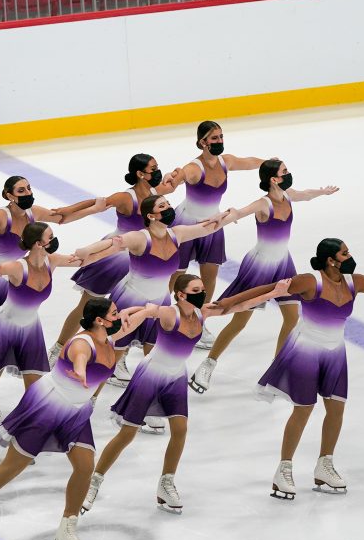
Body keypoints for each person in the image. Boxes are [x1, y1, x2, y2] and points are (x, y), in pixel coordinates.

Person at [213, 238, 364, 500]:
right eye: (345, 253)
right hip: (305, 351)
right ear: (330, 260)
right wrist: (226, 303)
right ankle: (284, 469)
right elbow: (265, 289)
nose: (350, 256)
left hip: (335, 353)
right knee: (303, 410)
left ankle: (325, 464)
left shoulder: (354, 281)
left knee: (336, 409)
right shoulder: (309, 281)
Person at [0, 298, 154, 540]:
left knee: (85, 467)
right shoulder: (82, 343)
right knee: (12, 466)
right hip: (48, 405)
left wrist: (149, 311)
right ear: (100, 320)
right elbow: (80, 358)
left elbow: (131, 323)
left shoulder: (108, 337)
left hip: (76, 410)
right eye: (115, 313)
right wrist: (81, 372)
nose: (120, 318)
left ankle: (67, 528)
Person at [81, 274, 291, 516]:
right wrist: (130, 315)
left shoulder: (203, 313)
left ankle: (166, 483)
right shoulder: (172, 313)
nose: (202, 293)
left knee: (180, 430)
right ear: (181, 295)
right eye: (196, 289)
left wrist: (274, 294)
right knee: (128, 433)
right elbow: (151, 312)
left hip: (176, 376)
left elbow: (238, 306)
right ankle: (94, 481)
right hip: (151, 374)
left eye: (202, 288)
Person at [0, 222, 117, 466]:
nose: (54, 240)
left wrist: (114, 247)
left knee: (35, 390)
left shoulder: (51, 261)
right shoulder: (17, 267)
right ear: (37, 243)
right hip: (2, 327)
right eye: (50, 237)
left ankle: (19, 438)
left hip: (30, 330)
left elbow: (80, 260)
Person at [0, 176, 103, 424]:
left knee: (4, 341)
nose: (27, 192)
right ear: (9, 195)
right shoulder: (0, 216)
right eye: (21, 190)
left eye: (28, 188)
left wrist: (97, 204)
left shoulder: (34, 213)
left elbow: (61, 215)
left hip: (15, 281)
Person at [189, 158, 339, 393]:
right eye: (285, 172)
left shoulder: (288, 195)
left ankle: (276, 371)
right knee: (240, 320)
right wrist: (224, 216)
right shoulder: (263, 204)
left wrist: (322, 192)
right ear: (273, 179)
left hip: (283, 263)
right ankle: (208, 364)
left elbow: (305, 194)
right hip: (259, 267)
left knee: (292, 316)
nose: (289, 174)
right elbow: (241, 211)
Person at [72, 194, 237, 394]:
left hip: (160, 302)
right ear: (151, 215)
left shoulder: (178, 233)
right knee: (111, 357)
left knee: (155, 357)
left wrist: (234, 213)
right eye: (162, 206)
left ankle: (149, 404)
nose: (169, 208)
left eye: (168, 204)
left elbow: (209, 227)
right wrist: (85, 250)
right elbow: (115, 243)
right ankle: (91, 397)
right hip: (130, 298)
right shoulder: (140, 238)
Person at [48, 153, 179, 379]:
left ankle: (119, 358)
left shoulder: (157, 193)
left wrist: (176, 175)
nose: (157, 171)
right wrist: (68, 211)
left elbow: (175, 183)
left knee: (125, 312)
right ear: (140, 174)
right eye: (153, 168)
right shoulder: (126, 197)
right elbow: (97, 204)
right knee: (86, 306)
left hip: (144, 259)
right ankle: (59, 348)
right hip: (114, 255)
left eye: (158, 167)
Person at [164, 120, 266, 349]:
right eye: (214, 138)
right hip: (188, 224)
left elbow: (249, 162)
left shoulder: (225, 161)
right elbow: (174, 182)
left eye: (221, 137)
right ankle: (161, 321)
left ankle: (198, 320)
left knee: (208, 276)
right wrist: (169, 179)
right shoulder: (193, 168)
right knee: (174, 277)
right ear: (202, 142)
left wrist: (268, 163)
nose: (219, 141)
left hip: (213, 225)